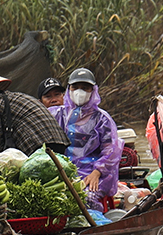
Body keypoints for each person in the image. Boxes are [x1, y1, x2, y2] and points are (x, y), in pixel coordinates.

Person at [50, 67, 122, 208]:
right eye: (75, 87)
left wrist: (97, 172)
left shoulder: (102, 119)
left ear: (93, 90)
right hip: (62, 170)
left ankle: (95, 225)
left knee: (87, 198)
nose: (79, 92)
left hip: (92, 171)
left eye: (85, 88)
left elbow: (112, 151)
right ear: (69, 89)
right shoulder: (57, 114)